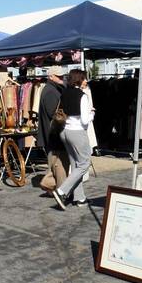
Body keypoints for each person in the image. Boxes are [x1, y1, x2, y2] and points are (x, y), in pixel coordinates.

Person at [52, 69, 94, 210]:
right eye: (84, 79)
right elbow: (85, 121)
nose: (86, 81)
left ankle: (79, 198)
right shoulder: (82, 96)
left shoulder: (64, 93)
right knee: (84, 164)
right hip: (77, 132)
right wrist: (92, 113)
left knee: (75, 165)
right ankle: (61, 191)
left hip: (65, 131)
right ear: (78, 80)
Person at [37, 66, 69, 193]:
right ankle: (56, 188)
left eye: (62, 76)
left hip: (53, 133)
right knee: (58, 164)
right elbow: (54, 114)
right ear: (51, 76)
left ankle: (55, 187)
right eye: (58, 76)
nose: (61, 78)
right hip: (53, 133)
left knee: (56, 164)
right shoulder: (50, 91)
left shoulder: (53, 88)